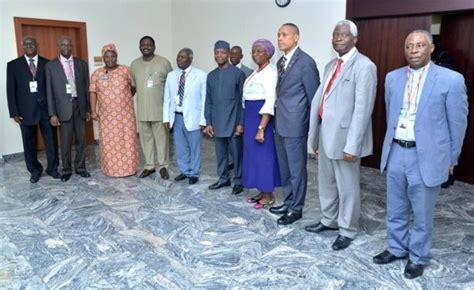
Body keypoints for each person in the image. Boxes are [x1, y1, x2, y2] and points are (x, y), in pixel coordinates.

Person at [373, 30, 468, 279]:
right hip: (396, 150)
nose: (413, 50)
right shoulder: (392, 78)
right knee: (395, 207)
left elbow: (458, 123)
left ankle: (418, 256)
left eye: (419, 45)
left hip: (426, 155)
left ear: (431, 48)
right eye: (409, 46)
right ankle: (396, 247)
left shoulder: (451, 79)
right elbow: (390, 115)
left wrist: (451, 158)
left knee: (423, 212)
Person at [306, 20, 377, 251]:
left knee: (347, 187)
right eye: (335, 34)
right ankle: (329, 220)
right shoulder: (330, 65)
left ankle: (347, 229)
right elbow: (323, 101)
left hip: (346, 140)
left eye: (344, 35)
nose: (338, 38)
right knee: (326, 182)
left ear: (354, 39)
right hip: (326, 136)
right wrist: (315, 137)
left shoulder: (364, 66)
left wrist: (353, 145)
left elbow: (363, 109)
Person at [269, 23, 320, 225]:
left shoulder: (305, 62)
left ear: (296, 37)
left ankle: (296, 208)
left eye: (285, 35)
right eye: (279, 35)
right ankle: (288, 201)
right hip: (280, 122)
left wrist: (312, 130)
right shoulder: (281, 61)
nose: (280, 38)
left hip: (296, 125)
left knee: (297, 169)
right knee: (285, 168)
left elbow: (313, 98)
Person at [6, 36, 61, 183]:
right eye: (26, 43)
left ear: (37, 45)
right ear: (22, 45)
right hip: (25, 112)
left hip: (46, 110)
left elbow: (53, 89)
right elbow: (10, 90)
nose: (29, 45)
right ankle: (35, 170)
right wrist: (14, 112)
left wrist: (54, 111)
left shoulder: (47, 64)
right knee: (29, 143)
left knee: (51, 141)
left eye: (32, 43)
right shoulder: (13, 65)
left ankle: (52, 169)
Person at [89, 44, 139, 177]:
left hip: (125, 115)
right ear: (103, 58)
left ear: (116, 57)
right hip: (107, 117)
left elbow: (133, 87)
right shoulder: (97, 74)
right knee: (109, 143)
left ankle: (129, 168)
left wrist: (124, 98)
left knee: (127, 141)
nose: (110, 59)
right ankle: (111, 169)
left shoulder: (125, 70)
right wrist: (93, 111)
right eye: (107, 56)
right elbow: (93, 92)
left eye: (113, 56)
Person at [242, 39, 281, 209]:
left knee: (264, 157)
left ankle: (269, 194)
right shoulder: (257, 71)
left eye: (260, 51)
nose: (256, 54)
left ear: (269, 53)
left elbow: (270, 101)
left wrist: (261, 128)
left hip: (261, 118)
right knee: (253, 157)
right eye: (254, 51)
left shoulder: (271, 72)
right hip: (250, 116)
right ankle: (261, 191)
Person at [46, 36, 90, 182]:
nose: (66, 46)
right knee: (65, 141)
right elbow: (49, 91)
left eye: (68, 44)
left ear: (72, 46)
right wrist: (52, 113)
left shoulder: (81, 64)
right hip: (63, 109)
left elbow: (86, 87)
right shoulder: (51, 66)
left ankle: (81, 167)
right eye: (63, 44)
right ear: (59, 46)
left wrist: (88, 108)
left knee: (81, 140)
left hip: (80, 106)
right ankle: (66, 170)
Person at [204, 40, 245, 195]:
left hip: (234, 121)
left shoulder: (238, 74)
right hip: (217, 122)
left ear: (228, 54)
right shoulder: (211, 76)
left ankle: (239, 181)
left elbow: (242, 100)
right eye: (216, 52)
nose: (219, 55)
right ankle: (223, 179)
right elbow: (208, 100)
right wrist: (208, 122)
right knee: (220, 154)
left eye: (222, 52)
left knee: (236, 154)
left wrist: (241, 122)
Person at [131, 36, 172, 180]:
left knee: (161, 140)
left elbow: (171, 87)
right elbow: (133, 87)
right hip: (142, 110)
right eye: (143, 45)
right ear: (139, 47)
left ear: (154, 47)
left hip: (159, 110)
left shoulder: (164, 63)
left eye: (149, 44)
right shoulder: (134, 64)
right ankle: (149, 166)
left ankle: (163, 166)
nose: (146, 47)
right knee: (145, 139)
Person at [163, 48, 206, 185]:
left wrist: (203, 120)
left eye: (182, 57)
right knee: (180, 147)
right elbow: (167, 99)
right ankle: (184, 170)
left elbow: (205, 99)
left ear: (190, 59)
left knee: (194, 147)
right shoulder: (171, 75)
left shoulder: (200, 75)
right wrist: (166, 118)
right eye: (178, 57)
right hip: (176, 117)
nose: (179, 59)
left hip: (194, 117)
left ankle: (194, 172)